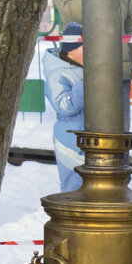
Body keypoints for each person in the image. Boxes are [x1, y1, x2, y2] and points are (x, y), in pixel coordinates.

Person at [53, 0, 132, 131]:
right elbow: (73, 15)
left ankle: (122, 158)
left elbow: (131, 27)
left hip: (119, 72)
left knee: (120, 133)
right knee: (88, 133)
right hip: (84, 74)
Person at [43, 22, 85, 191]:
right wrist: (84, 84)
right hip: (70, 139)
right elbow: (65, 106)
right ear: (72, 49)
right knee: (74, 187)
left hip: (87, 135)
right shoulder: (57, 74)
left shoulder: (81, 69)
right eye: (85, 47)